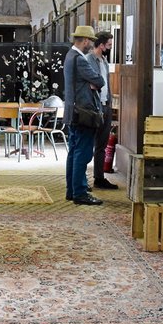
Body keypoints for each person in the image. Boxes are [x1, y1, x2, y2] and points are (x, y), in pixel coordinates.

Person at [63, 25, 105, 205]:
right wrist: (93, 83)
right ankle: (80, 193)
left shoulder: (69, 56)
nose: (91, 45)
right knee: (83, 152)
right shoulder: (80, 59)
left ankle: (72, 191)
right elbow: (99, 80)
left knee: (73, 151)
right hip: (83, 112)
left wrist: (92, 83)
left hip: (73, 111)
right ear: (86, 41)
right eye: (91, 41)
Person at [86, 31, 119, 190]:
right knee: (87, 144)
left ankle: (99, 177)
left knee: (102, 143)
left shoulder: (104, 61)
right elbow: (92, 83)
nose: (110, 47)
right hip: (94, 106)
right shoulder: (89, 60)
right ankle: (82, 180)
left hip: (106, 105)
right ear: (101, 44)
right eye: (109, 44)